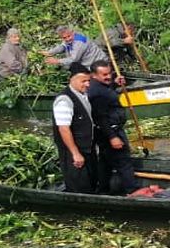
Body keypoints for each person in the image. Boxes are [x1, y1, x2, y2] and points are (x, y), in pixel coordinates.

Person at [87, 60, 138, 195]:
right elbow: (100, 117)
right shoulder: (97, 93)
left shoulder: (102, 87)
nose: (108, 77)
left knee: (105, 162)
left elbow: (107, 93)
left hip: (108, 131)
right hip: (110, 131)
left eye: (109, 73)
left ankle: (103, 190)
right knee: (124, 162)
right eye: (104, 75)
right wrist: (113, 137)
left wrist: (115, 84)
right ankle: (132, 192)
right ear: (94, 75)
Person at [51, 66, 97, 194]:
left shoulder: (83, 94)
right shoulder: (64, 100)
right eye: (83, 81)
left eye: (88, 81)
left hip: (87, 148)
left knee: (91, 180)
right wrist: (75, 153)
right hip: (73, 150)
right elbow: (64, 129)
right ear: (72, 80)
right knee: (79, 185)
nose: (87, 84)